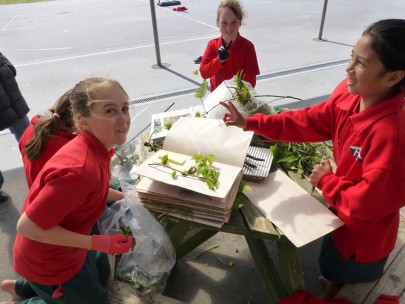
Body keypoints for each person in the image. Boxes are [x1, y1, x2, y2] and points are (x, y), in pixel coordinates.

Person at [220, 19, 405, 299]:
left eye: (361, 64)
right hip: (341, 212)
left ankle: (336, 288)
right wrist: (250, 122)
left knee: (344, 267)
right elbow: (306, 121)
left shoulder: (392, 137)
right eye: (350, 56)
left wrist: (328, 182)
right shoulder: (349, 94)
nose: (348, 68)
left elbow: (368, 203)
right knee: (331, 259)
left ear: (393, 77)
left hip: (364, 237)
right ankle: (333, 281)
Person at [1, 77, 134, 304]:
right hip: (50, 259)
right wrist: (99, 243)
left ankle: (23, 288)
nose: (123, 118)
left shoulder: (95, 149)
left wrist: (130, 197)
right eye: (110, 110)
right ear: (82, 121)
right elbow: (27, 226)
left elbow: (97, 189)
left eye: (124, 108)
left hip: (69, 244)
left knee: (99, 277)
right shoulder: (79, 171)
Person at [199, 0, 260, 92]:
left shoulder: (248, 47)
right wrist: (219, 60)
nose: (228, 28)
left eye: (233, 22)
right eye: (224, 23)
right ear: (218, 23)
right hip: (217, 99)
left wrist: (234, 95)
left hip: (240, 99)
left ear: (240, 22)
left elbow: (251, 81)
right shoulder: (212, 45)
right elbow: (204, 73)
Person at [0, 51, 30, 203]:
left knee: (31, 140)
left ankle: (40, 176)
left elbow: (3, 58)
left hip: (12, 101)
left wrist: (8, 68)